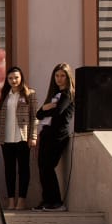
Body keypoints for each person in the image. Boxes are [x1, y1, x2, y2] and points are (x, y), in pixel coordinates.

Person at [0, 66, 38, 210]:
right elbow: (0, 119)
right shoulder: (4, 95)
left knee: (23, 169)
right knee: (9, 170)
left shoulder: (29, 94)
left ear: (21, 78)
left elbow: (34, 117)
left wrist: (32, 136)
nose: (13, 80)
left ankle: (21, 200)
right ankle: (10, 201)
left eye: (16, 77)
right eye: (10, 78)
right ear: (7, 80)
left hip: (22, 137)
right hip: (6, 138)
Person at [35, 62, 74, 210]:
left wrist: (46, 109)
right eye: (57, 75)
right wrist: (46, 107)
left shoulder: (67, 94)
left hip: (58, 135)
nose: (59, 79)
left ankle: (57, 202)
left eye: (62, 76)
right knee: (42, 167)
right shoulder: (53, 95)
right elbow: (39, 114)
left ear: (68, 77)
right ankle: (47, 200)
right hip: (46, 134)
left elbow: (59, 112)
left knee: (48, 167)